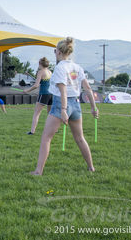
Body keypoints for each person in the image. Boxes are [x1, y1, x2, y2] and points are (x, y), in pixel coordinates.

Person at [30, 37, 98, 176]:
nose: (55, 53)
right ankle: (91, 167)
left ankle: (38, 171)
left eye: (55, 51)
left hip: (61, 104)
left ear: (59, 52)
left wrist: (63, 110)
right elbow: (88, 88)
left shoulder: (60, 68)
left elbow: (63, 91)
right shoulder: (77, 67)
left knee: (46, 138)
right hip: (76, 104)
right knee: (80, 138)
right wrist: (93, 107)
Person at [23, 57, 53, 134]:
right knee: (50, 114)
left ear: (40, 64)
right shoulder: (50, 72)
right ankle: (52, 130)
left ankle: (32, 131)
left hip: (44, 94)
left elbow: (36, 85)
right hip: (51, 94)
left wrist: (27, 90)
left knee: (36, 113)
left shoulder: (40, 72)